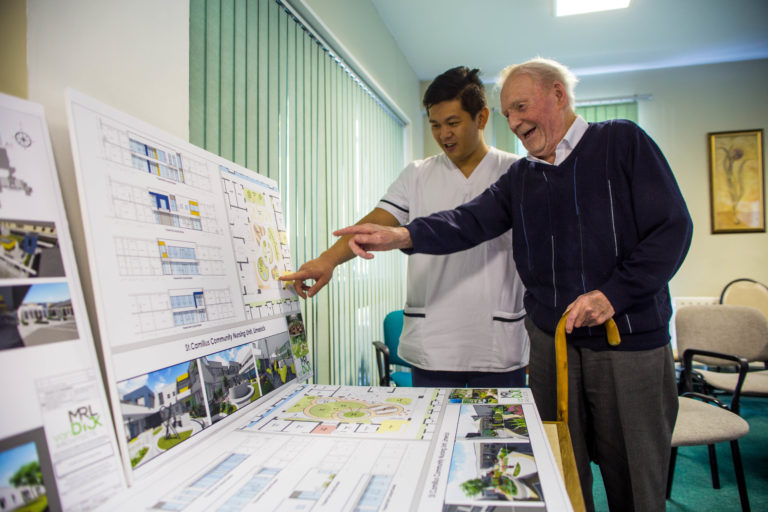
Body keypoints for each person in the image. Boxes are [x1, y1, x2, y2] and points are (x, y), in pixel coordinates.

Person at [335, 57, 693, 512]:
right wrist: (403, 235)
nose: (516, 121)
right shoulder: (522, 176)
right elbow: (468, 221)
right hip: (553, 348)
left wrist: (612, 295)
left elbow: (671, 229)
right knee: (558, 470)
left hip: (626, 344)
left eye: (522, 106)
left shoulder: (621, 141)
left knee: (636, 476)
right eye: (509, 113)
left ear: (558, 95)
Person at [280, 66, 529, 388]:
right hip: (434, 341)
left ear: (481, 118)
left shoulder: (517, 171)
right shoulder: (417, 174)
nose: (443, 135)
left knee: (500, 437)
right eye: (435, 125)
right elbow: (374, 225)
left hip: (497, 341)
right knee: (432, 433)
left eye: (453, 123)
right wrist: (327, 260)